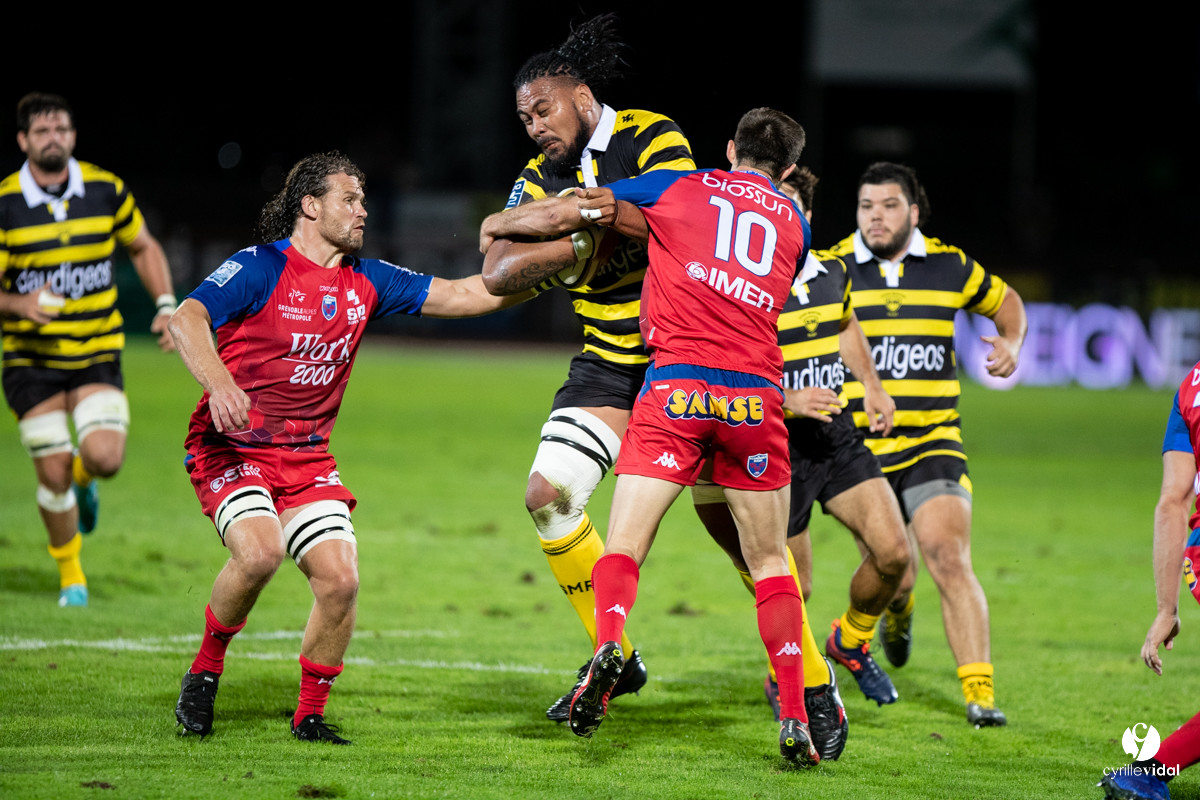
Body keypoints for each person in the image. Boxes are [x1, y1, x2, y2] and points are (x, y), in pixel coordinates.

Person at [489, 107, 822, 767]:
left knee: (625, 547)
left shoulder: (683, 185)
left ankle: (609, 644)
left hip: (676, 390)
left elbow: (589, 206)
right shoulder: (797, 222)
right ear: (788, 170)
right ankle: (795, 713)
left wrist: (498, 224)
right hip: (754, 400)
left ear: (729, 149)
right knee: (768, 563)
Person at [168, 151, 529, 744]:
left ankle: (309, 716)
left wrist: (551, 273)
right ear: (310, 206)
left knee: (340, 580)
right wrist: (221, 384)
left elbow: (466, 294)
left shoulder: (367, 280)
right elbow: (187, 319)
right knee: (259, 553)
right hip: (232, 448)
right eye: (350, 199)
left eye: (363, 200)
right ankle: (204, 673)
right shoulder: (259, 267)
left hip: (306, 456)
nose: (363, 210)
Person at [477, 13, 695, 722]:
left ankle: (812, 682)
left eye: (543, 110)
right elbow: (497, 269)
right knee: (547, 494)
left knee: (741, 538)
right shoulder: (538, 175)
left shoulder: (652, 135)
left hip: (684, 360)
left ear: (579, 94)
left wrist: (563, 217)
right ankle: (616, 657)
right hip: (608, 362)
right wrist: (580, 235)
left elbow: (677, 215)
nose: (535, 127)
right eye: (524, 118)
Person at [692, 166, 911, 758]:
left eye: (783, 204)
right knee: (796, 585)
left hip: (834, 437)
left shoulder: (832, 272)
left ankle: (850, 639)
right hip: (772, 442)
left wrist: (872, 385)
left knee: (895, 555)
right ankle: (786, 677)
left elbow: (846, 325)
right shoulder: (739, 279)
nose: (768, 213)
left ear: (806, 218)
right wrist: (787, 400)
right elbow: (719, 363)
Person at [833, 161, 1027, 726]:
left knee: (948, 554)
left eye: (889, 205)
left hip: (932, 441)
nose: (876, 216)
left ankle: (980, 696)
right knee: (897, 571)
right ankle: (898, 609)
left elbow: (1007, 302)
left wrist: (1012, 341)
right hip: (859, 452)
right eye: (867, 206)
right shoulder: (833, 268)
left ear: (914, 212)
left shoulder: (949, 265)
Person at [0, 92, 177, 608]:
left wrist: (166, 304)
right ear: (23, 140)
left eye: (61, 129)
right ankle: (72, 578)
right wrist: (19, 303)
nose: (53, 138)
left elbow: (143, 245)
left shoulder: (105, 189)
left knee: (105, 457)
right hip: (30, 360)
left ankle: (86, 481)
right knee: (52, 472)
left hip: (97, 349)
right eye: (42, 131)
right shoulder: (6, 204)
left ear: (73, 135)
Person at [1098, 362, 1200, 799]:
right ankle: (1150, 772)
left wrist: (1166, 609)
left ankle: (1149, 772)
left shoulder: (1191, 386)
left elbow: (1173, 501)